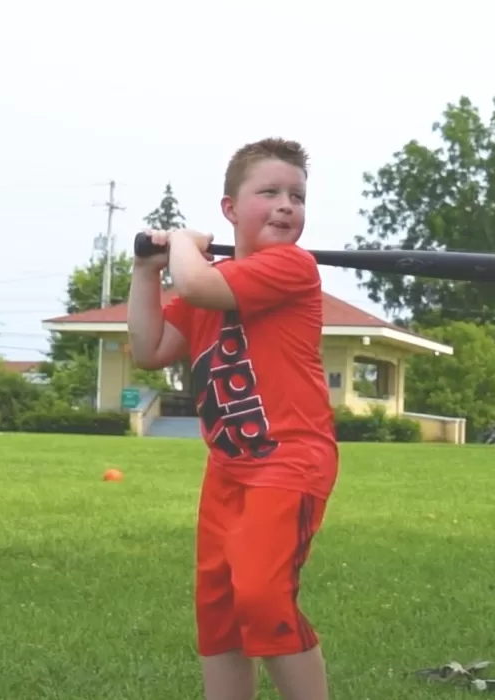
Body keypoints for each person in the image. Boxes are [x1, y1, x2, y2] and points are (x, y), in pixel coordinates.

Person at [125, 137, 334, 700]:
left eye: (297, 195)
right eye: (269, 192)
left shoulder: (291, 267)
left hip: (290, 460)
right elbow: (149, 348)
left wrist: (185, 246)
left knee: (263, 599)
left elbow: (195, 281)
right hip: (227, 470)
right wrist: (146, 271)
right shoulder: (207, 285)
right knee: (219, 615)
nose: (287, 205)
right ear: (231, 209)